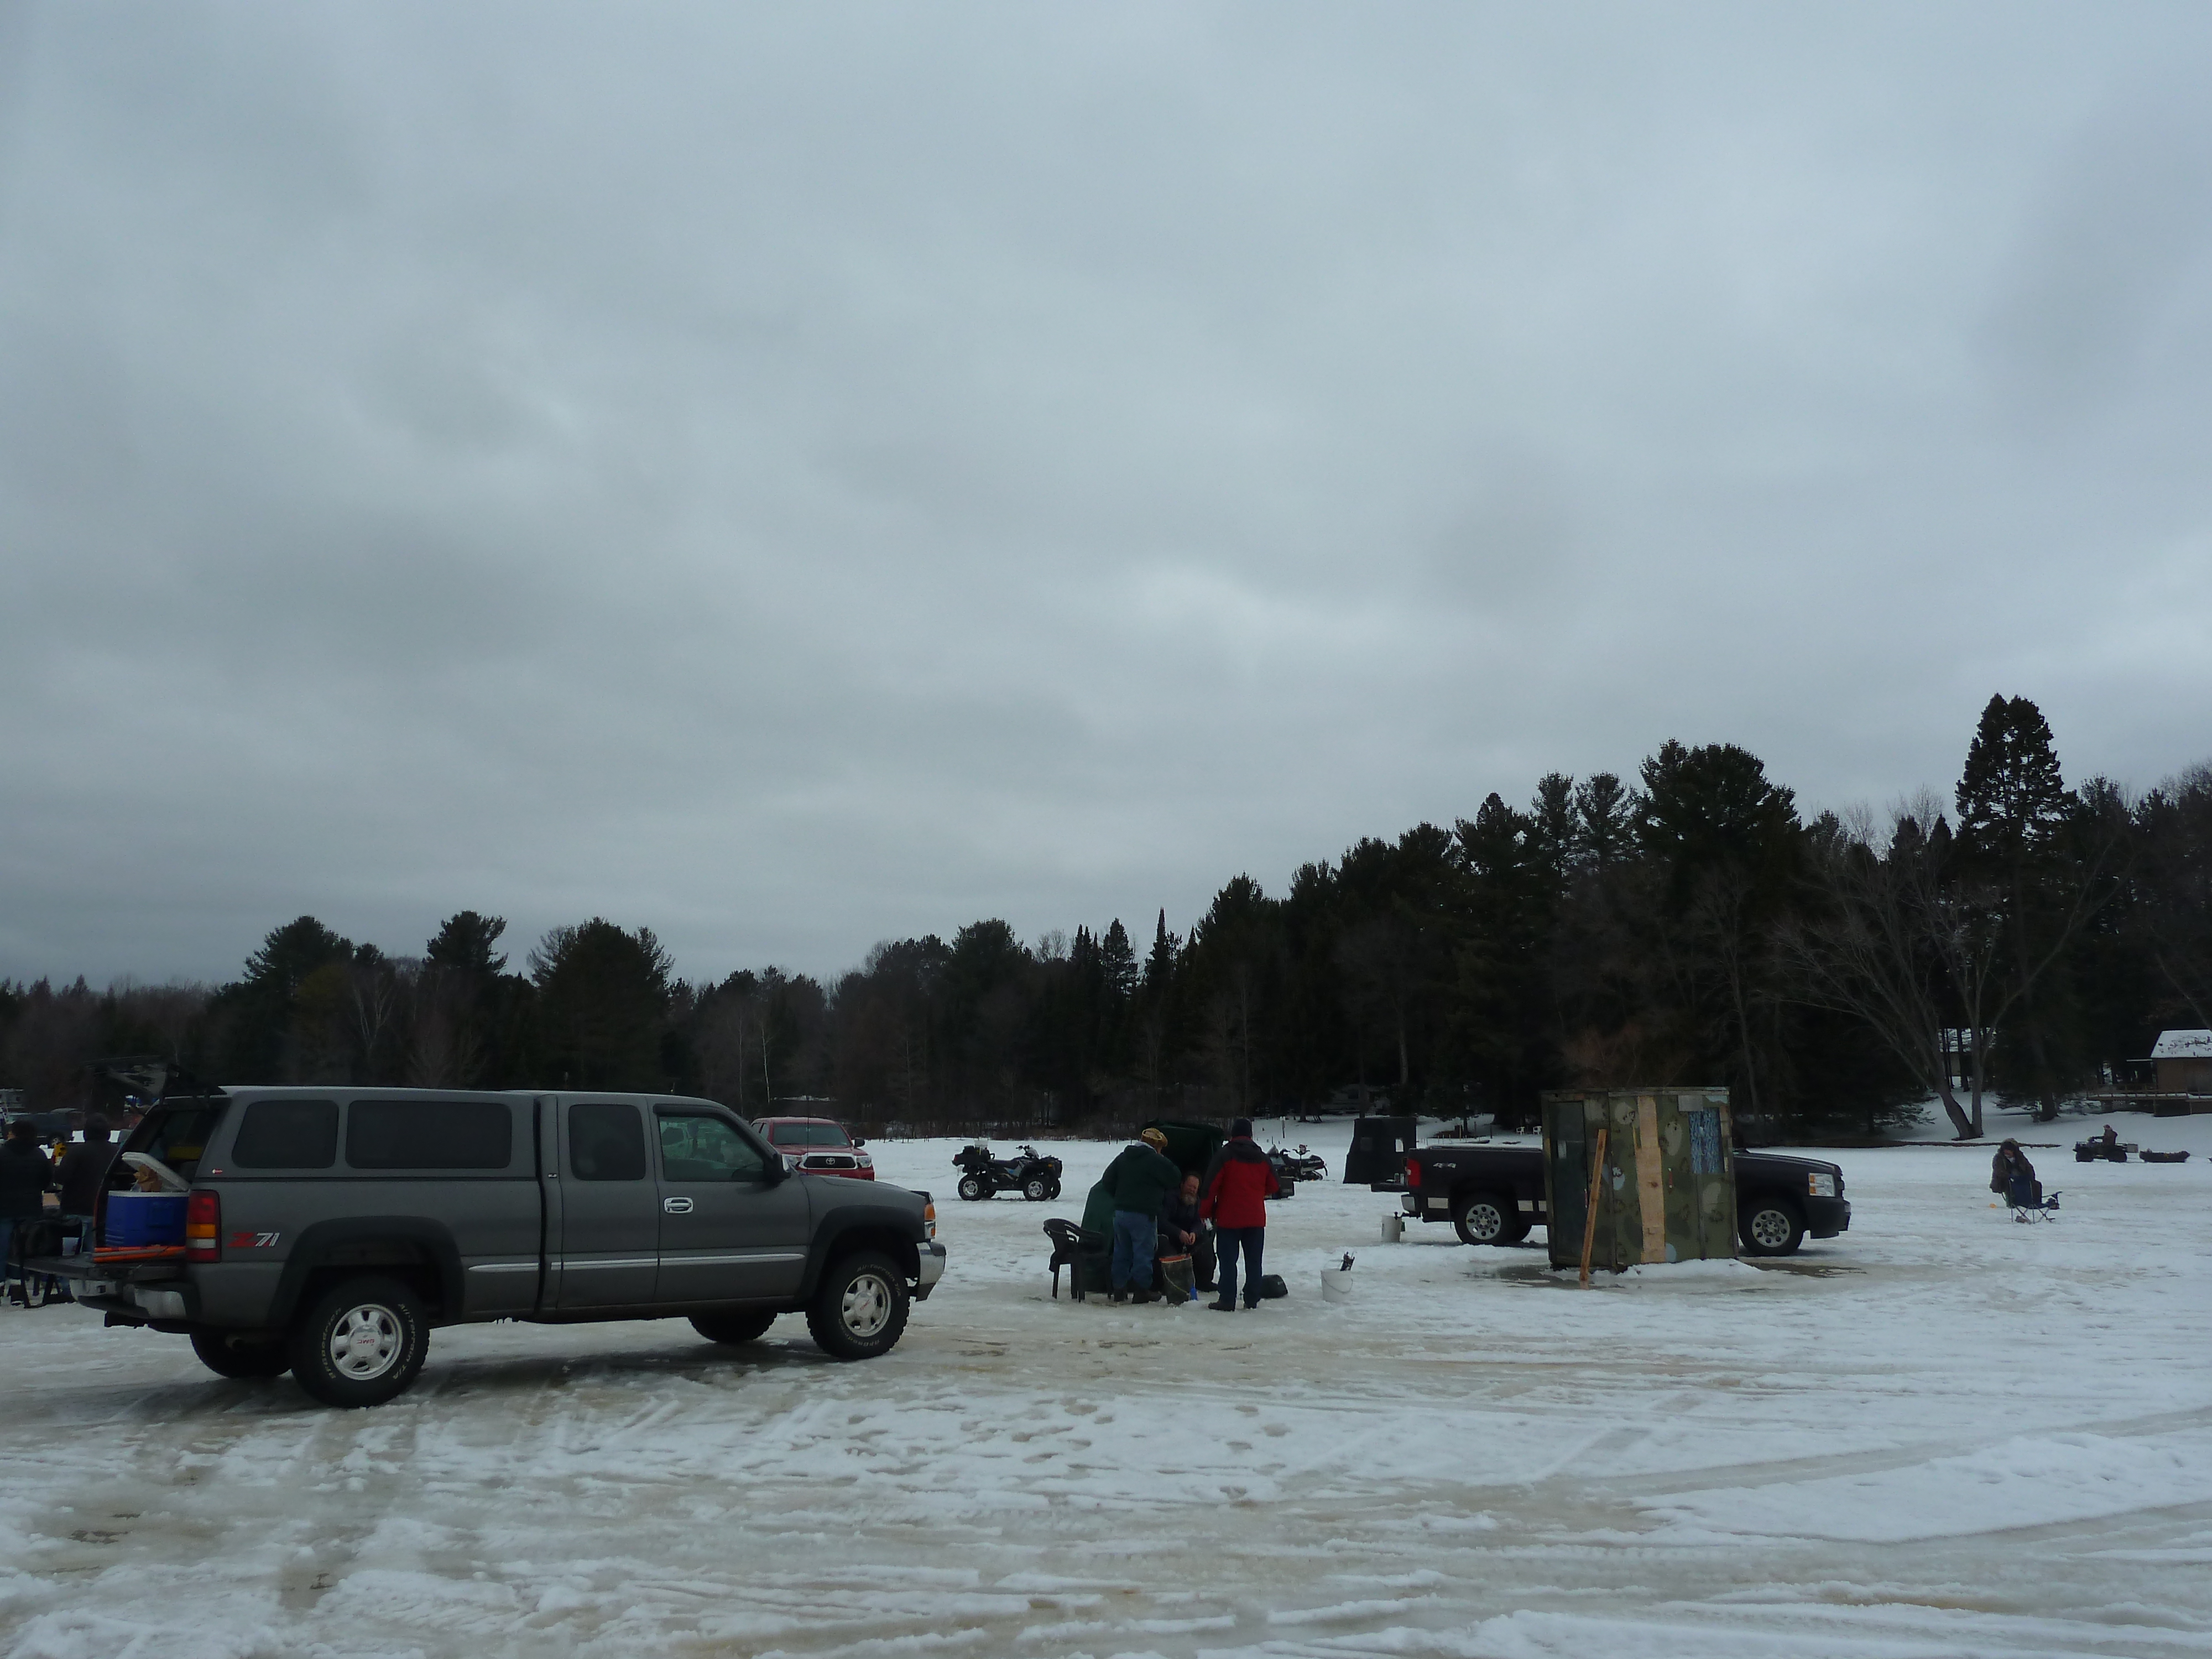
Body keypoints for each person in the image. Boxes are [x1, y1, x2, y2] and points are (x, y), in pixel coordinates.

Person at [1200, 1117, 1279, 1312]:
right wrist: (1256, 1193)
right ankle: (1252, 1299)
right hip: (1255, 1218)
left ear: (1232, 1135)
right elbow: (1275, 1185)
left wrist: (1205, 1212)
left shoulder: (1224, 1155)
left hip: (1229, 1218)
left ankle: (1227, 1299)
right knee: (1254, 1261)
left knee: (1228, 1261)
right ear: (1251, 1135)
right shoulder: (1262, 1157)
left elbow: (1210, 1187)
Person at [1100, 1128, 1183, 1303]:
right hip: (1143, 1215)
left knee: (1121, 1252)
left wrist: (1121, 1198)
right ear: (1157, 1146)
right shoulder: (1154, 1159)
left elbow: (1107, 1180)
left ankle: (1119, 1290)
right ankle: (1141, 1291)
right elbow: (1175, 1177)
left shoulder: (1123, 1157)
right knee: (1143, 1253)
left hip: (1121, 1214)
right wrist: (1161, 1161)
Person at [0, 1119, 56, 1306]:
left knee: (2, 1248)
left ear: (13, 1133)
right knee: (23, 1249)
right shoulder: (39, 1155)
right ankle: (18, 1286)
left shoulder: (2, 1153)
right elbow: (47, 1180)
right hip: (30, 1208)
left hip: (4, 1209)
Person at [57, 1118, 117, 1225]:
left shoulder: (76, 1152)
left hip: (77, 1209)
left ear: (86, 1132)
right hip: (109, 1208)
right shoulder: (117, 1153)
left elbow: (61, 1177)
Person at [1159, 1172, 1206, 1297]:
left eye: (1195, 1188)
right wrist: (1178, 1233)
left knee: (1204, 1242)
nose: (1192, 1190)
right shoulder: (1170, 1198)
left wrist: (1194, 1233)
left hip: (1187, 1239)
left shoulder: (1196, 1202)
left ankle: (1203, 1280)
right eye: (1190, 1186)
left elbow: (1199, 1222)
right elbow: (1162, 1221)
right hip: (1169, 1238)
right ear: (1182, 1185)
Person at [1990, 1138, 2040, 1207]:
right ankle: (2013, 1203)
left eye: (2009, 1150)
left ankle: (2035, 1203)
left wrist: (2029, 1176)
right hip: (2005, 1181)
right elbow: (1999, 1171)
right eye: (2005, 1150)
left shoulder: (2020, 1157)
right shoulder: (1999, 1158)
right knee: (2012, 1186)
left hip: (2021, 1179)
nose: (2007, 1152)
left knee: (2036, 1185)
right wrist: (2011, 1177)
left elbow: (2029, 1168)